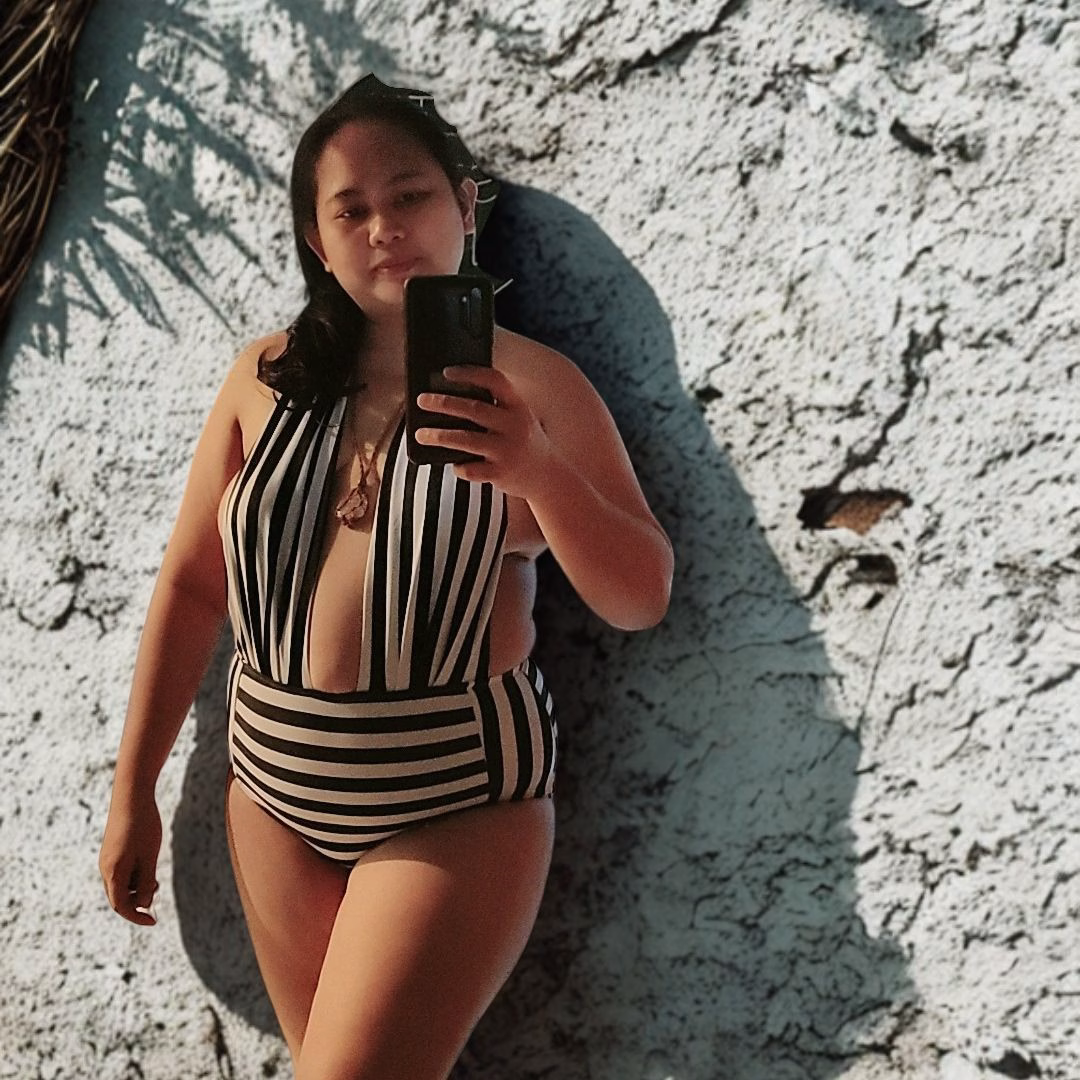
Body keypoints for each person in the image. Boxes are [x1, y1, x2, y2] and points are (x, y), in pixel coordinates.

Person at [99, 74, 673, 1080]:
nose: (384, 228)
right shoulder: (264, 378)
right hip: (271, 797)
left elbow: (641, 595)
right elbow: (192, 585)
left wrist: (538, 470)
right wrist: (131, 790)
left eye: (409, 196)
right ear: (317, 241)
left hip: (453, 802)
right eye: (350, 210)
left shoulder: (534, 385)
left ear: (464, 204)